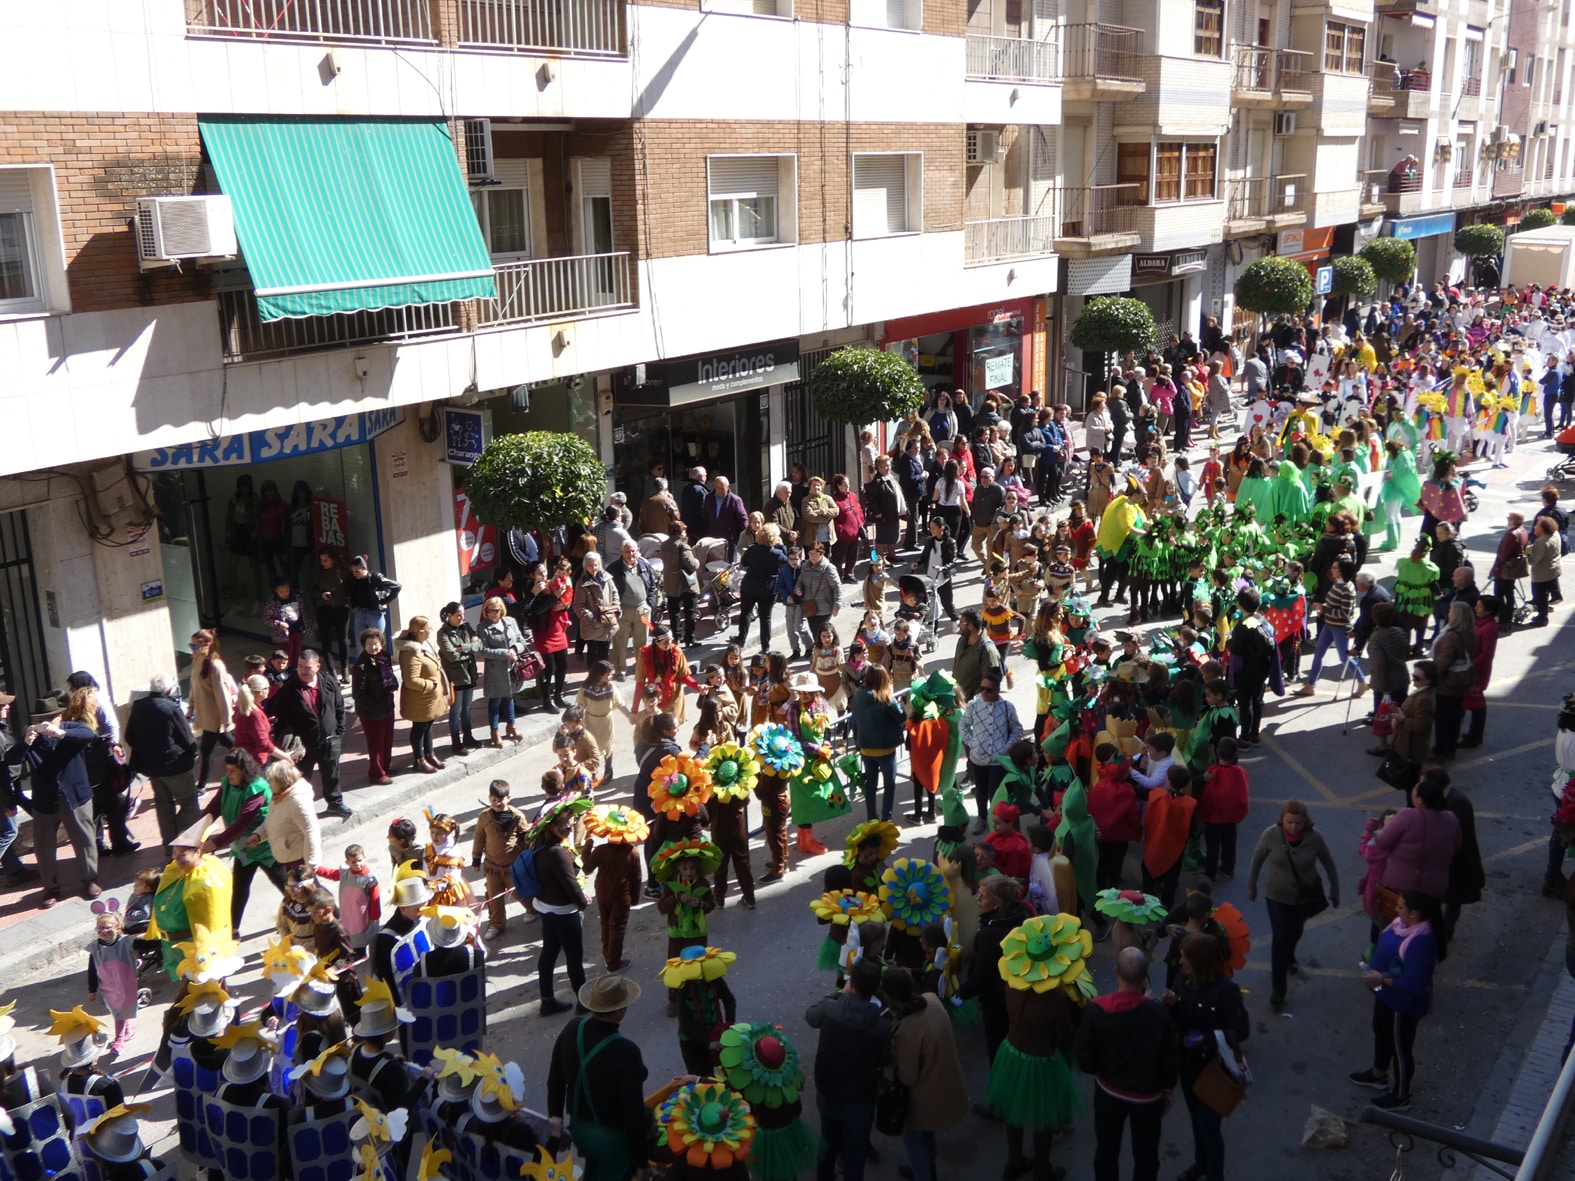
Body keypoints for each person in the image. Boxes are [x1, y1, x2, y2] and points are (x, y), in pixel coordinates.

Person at [1075, 947, 1178, 1181]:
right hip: (1147, 1098)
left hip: (1109, 1093)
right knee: (1146, 1155)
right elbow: (1169, 1057)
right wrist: (1169, 1089)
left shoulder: (1096, 1009)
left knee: (1107, 1150)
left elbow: (1084, 1057)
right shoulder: (1159, 1013)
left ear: (1115, 971)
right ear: (1145, 977)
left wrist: (1099, 1069)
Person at [1348, 890, 1450, 1112]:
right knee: (1381, 1032)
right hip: (1384, 995)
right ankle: (1378, 1073)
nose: (1396, 909)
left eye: (1401, 907)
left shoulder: (1422, 942)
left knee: (1400, 1048)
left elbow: (1413, 986)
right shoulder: (1400, 925)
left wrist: (1381, 978)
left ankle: (1401, 1095)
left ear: (1414, 914)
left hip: (1401, 1005)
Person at [546, 974, 650, 1181]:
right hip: (611, 1140)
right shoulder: (626, 1051)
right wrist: (642, 1163)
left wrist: (555, 1121)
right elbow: (634, 1114)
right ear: (619, 1012)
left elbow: (555, 1079)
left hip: (580, 1130)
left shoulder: (572, 1028)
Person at [1165, 933, 1248, 1181]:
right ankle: (1201, 1163)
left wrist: (1209, 1038)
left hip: (1213, 1069)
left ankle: (1214, 1174)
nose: (1181, 962)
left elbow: (1241, 1030)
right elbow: (1182, 1013)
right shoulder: (1183, 979)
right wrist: (1173, 1004)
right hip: (1187, 1065)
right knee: (1196, 1120)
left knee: (1210, 1129)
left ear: (1200, 961)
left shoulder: (1226, 990)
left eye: (1185, 957)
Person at [1246, 800, 1341, 1011]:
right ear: (1282, 819)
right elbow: (1257, 860)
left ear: (1305, 821)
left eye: (1298, 823)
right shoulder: (1271, 834)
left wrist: (1335, 889)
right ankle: (1278, 989)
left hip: (1304, 897)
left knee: (1295, 932)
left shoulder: (1315, 838)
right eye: (1289, 822)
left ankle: (1289, 955)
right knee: (1280, 938)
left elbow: (1329, 863)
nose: (1293, 827)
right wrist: (1251, 885)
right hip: (1277, 896)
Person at [804, 958, 891, 1181]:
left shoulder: (830, 1009)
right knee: (855, 1155)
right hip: (860, 1100)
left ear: (851, 984)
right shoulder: (881, 1027)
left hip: (828, 1092)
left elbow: (810, 1016)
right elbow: (884, 1059)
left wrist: (836, 995)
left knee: (828, 1146)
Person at [10, 694, 100, 904]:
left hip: (75, 797)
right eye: (42, 718)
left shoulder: (71, 729)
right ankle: (51, 888)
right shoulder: (33, 738)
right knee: (44, 847)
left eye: (50, 717)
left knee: (85, 840)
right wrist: (25, 743)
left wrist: (60, 733)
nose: (46, 722)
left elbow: (88, 735)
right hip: (45, 800)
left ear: (60, 716)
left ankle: (90, 880)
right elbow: (11, 759)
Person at [884, 967, 966, 1181]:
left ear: (891, 997)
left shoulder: (908, 1030)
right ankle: (928, 1167)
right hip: (945, 1084)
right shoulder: (932, 1000)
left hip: (924, 1097)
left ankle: (923, 1173)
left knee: (914, 1139)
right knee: (926, 1134)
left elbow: (908, 1076)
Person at [201, 748, 285, 931]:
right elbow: (212, 810)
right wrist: (195, 832)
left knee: (288, 888)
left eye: (232, 771)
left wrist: (215, 843)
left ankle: (316, 918)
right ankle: (233, 930)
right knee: (239, 889)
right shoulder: (227, 784)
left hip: (266, 849)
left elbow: (242, 823)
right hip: (244, 849)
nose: (228, 774)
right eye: (227, 770)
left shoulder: (257, 789)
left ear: (243, 771)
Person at [958, 876, 1031, 1068]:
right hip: (1020, 993)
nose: (977, 899)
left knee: (997, 1049)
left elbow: (983, 974)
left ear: (997, 903)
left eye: (982, 897)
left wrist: (961, 992)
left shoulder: (991, 934)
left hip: (996, 1000)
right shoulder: (1021, 914)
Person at [124, 672, 200, 854]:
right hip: (175, 765)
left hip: (152, 767)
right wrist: (193, 753)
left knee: (163, 804)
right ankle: (185, 841)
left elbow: (129, 737)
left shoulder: (139, 706)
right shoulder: (170, 708)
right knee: (189, 802)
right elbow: (187, 737)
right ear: (168, 689)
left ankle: (169, 845)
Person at [272, 649, 353, 820]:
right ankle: (301, 810)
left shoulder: (329, 681)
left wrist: (339, 731)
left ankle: (335, 803)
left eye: (307, 667)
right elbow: (280, 717)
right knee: (301, 780)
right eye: (300, 666)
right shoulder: (289, 689)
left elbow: (339, 707)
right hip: (303, 745)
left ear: (317, 666)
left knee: (332, 773)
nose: (302, 670)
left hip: (329, 740)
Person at [531, 797, 590, 1016]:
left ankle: (547, 1000)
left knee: (549, 952)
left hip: (546, 908)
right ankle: (584, 1002)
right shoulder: (557, 853)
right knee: (574, 957)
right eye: (566, 825)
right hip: (563, 911)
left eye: (571, 823)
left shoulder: (540, 844)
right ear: (554, 827)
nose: (570, 827)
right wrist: (583, 902)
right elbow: (570, 884)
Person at [960, 672, 1021, 830]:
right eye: (982, 689)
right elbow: (962, 725)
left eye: (989, 690)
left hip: (998, 760)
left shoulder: (1007, 707)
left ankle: (997, 822)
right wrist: (973, 743)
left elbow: (1017, 729)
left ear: (997, 690)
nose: (984, 693)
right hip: (978, 758)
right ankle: (981, 818)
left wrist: (1006, 747)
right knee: (981, 791)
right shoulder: (974, 705)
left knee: (996, 793)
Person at [849, 665, 906, 823]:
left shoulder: (857, 697)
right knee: (889, 784)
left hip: (866, 749)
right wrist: (899, 704)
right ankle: (886, 818)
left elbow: (854, 723)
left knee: (871, 785)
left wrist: (858, 742)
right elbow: (901, 717)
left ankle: (871, 818)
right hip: (886, 750)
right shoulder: (886, 697)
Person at [396, 615, 450, 774]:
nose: (430, 632)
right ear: (419, 632)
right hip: (420, 699)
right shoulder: (410, 652)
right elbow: (411, 680)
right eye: (428, 630)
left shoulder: (424, 645)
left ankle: (430, 753)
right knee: (419, 728)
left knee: (428, 725)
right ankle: (418, 760)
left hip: (429, 698)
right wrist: (432, 685)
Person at [1429, 600, 1478, 759]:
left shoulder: (1451, 636)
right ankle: (1450, 748)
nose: (1448, 613)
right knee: (1455, 717)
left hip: (1447, 683)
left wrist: (1431, 677)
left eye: (1451, 611)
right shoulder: (1471, 633)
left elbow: (1444, 661)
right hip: (1462, 681)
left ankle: (1440, 750)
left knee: (1443, 718)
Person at [187, 630, 234, 791]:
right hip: (206, 716)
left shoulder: (216, 665)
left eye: (195, 645)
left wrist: (226, 721)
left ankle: (201, 786)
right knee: (228, 744)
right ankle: (249, 761)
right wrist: (190, 708)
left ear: (207, 645)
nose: (192, 649)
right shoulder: (197, 660)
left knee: (206, 751)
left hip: (215, 718)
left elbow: (223, 696)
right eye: (191, 645)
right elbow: (194, 688)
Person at [478, 596, 528, 745]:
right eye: (490, 610)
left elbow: (521, 641)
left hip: (512, 667)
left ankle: (511, 726)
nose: (493, 613)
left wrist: (514, 649)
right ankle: (494, 732)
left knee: (510, 697)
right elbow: (484, 650)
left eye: (496, 610)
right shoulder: (483, 627)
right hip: (495, 669)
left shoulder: (510, 622)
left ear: (501, 610)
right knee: (495, 700)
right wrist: (504, 653)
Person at [349, 627, 397, 785]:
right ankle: (376, 774)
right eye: (369, 644)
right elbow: (359, 694)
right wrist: (377, 706)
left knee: (387, 739)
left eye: (376, 643)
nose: (373, 647)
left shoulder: (384, 658)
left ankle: (385, 766)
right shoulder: (360, 666)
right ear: (363, 645)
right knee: (375, 743)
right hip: (371, 712)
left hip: (387, 706)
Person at [256, 761, 321, 872]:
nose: (268, 783)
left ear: (280, 781)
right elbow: (271, 819)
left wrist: (310, 865)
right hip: (287, 859)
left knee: (310, 889)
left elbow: (311, 830)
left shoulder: (297, 801)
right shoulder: (278, 796)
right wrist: (258, 835)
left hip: (299, 862)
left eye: (271, 780)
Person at [437, 601, 482, 755]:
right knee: (456, 710)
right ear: (449, 616)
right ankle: (456, 742)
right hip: (456, 678)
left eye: (463, 614)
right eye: (458, 615)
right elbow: (451, 656)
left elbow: (479, 645)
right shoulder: (442, 633)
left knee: (467, 709)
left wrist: (464, 648)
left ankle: (468, 737)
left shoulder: (466, 627)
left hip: (469, 675)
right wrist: (470, 648)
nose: (462, 617)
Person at [735, 523, 788, 651]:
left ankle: (741, 639)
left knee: (746, 613)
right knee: (765, 618)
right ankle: (765, 647)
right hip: (768, 589)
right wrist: (781, 546)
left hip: (749, 586)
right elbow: (786, 562)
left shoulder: (752, 549)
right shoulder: (777, 553)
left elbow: (744, 562)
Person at [309, 550, 352, 681]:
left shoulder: (343, 571)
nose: (323, 563)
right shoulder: (317, 572)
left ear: (333, 559)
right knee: (326, 641)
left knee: (342, 639)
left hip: (341, 607)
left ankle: (345, 670)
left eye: (326, 560)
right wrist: (321, 595)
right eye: (321, 560)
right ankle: (332, 670)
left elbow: (350, 588)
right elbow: (311, 589)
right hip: (324, 608)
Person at [574, 551, 621, 667]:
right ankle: (593, 680)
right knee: (593, 655)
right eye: (590, 565)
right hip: (592, 626)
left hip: (607, 622)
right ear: (585, 566)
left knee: (604, 654)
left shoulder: (608, 578)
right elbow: (578, 605)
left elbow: (615, 594)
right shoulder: (582, 583)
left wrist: (615, 610)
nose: (594, 568)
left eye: (596, 564)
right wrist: (592, 619)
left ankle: (604, 679)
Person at [661, 522, 701, 647]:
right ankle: (690, 638)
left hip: (670, 581)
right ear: (679, 532)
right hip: (685, 582)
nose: (686, 533)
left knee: (674, 612)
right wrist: (697, 561)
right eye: (684, 531)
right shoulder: (683, 545)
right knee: (690, 611)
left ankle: (676, 636)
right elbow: (692, 565)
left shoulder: (664, 545)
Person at [345, 555, 400, 644]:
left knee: (375, 642)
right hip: (359, 612)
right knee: (361, 643)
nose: (355, 574)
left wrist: (385, 600)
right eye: (353, 571)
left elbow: (397, 586)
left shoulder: (375, 578)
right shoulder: (352, 579)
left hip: (375, 613)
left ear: (365, 568)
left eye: (357, 571)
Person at [953, 609, 1003, 702]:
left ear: (970, 626)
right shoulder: (962, 641)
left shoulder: (988, 651)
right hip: (956, 700)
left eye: (961, 623)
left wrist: (972, 702)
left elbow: (989, 685)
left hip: (971, 704)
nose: (959, 625)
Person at [1529, 514, 1564, 625]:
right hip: (1554, 569)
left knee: (1541, 597)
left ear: (1542, 528)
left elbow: (1535, 560)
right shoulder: (1555, 534)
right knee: (1550, 587)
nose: (1535, 527)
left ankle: (1542, 618)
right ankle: (1556, 595)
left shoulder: (1541, 542)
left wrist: (1524, 558)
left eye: (1537, 526)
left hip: (1542, 574)